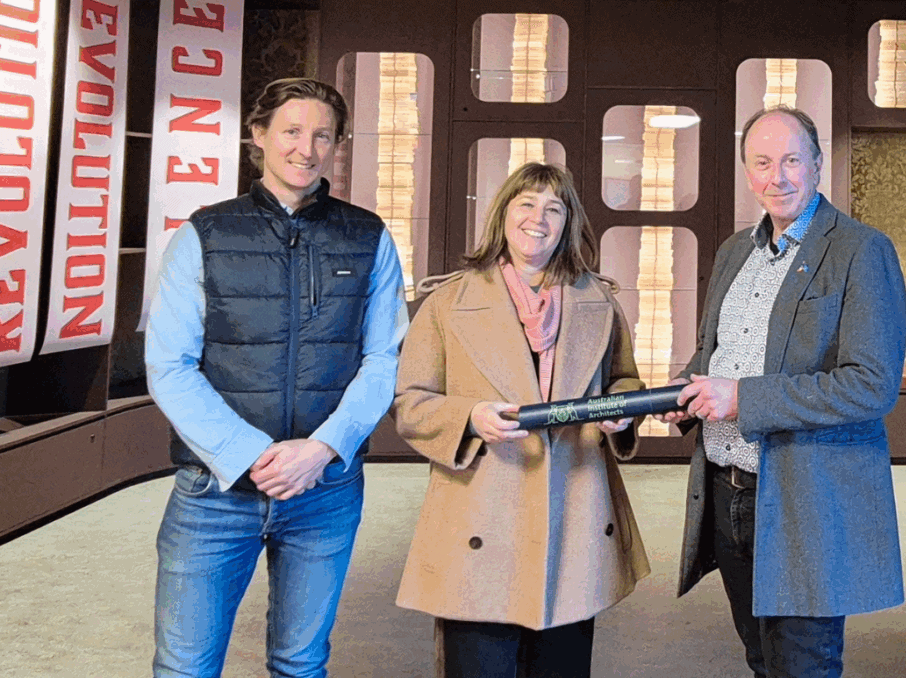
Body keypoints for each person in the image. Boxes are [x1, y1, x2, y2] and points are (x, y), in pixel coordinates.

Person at [145, 78, 408, 677]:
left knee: (300, 662)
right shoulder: (205, 234)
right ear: (259, 136)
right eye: (292, 131)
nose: (306, 149)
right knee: (185, 667)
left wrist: (321, 450)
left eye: (323, 135)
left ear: (337, 146)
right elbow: (169, 364)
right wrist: (251, 454)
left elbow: (384, 359)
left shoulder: (369, 236)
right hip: (214, 491)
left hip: (325, 490)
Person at [656, 106, 906, 677]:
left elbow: (871, 385)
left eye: (793, 160)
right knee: (761, 660)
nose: (779, 177)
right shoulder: (732, 252)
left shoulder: (861, 252)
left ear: (818, 165)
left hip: (803, 499)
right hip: (726, 493)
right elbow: (715, 356)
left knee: (803, 666)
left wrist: (743, 398)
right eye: (763, 162)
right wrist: (675, 394)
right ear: (747, 172)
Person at [391, 162, 651, 678]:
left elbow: (624, 380)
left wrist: (621, 412)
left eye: (554, 208)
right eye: (526, 204)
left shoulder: (599, 300)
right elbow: (411, 402)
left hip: (574, 512)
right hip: (481, 517)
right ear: (503, 215)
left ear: (568, 223)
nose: (539, 218)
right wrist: (469, 416)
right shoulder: (446, 302)